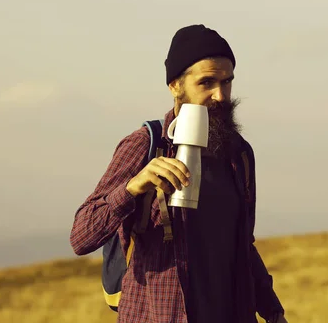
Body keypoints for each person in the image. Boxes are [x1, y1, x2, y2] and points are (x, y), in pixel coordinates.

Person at [70, 24, 287, 323]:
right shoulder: (147, 144)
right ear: (175, 85)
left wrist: (273, 311)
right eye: (207, 82)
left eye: (227, 82)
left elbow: (242, 246)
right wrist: (134, 187)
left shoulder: (239, 155)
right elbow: (81, 236)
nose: (221, 96)